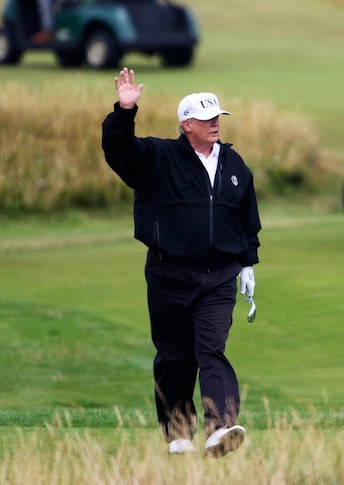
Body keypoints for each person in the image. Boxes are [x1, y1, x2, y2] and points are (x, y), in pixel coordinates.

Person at [101, 67, 261, 457]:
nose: (214, 125)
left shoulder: (234, 165)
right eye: (206, 120)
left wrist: (248, 263)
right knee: (175, 356)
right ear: (186, 124)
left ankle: (220, 429)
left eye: (217, 118)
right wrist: (124, 112)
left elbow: (245, 217)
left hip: (219, 275)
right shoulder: (157, 157)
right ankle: (178, 433)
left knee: (212, 350)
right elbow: (119, 151)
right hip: (169, 273)